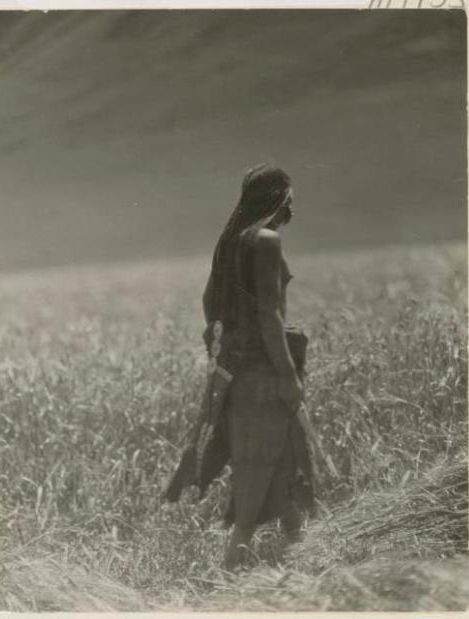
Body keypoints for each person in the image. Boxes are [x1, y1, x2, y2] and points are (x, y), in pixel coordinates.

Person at [165, 163, 315, 570]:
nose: (292, 212)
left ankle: (302, 566)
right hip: (264, 373)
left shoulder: (230, 241)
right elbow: (270, 315)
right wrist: (287, 377)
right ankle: (228, 580)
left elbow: (208, 303)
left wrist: (225, 341)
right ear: (278, 200)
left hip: (234, 372)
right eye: (290, 201)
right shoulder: (265, 240)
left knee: (274, 467)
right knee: (261, 481)